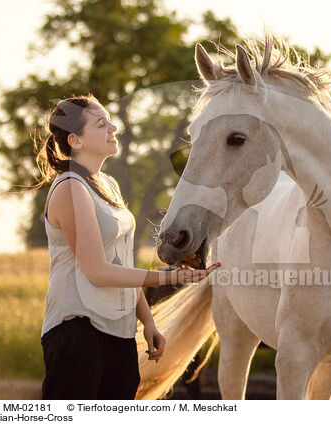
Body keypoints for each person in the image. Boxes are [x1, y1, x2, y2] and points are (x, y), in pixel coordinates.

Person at [34, 95, 220, 400]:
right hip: (77, 333)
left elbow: (120, 265)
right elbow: (98, 272)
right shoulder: (70, 188)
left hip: (119, 334)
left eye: (109, 120)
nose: (113, 127)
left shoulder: (108, 184)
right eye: (101, 123)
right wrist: (172, 277)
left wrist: (147, 322)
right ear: (75, 140)